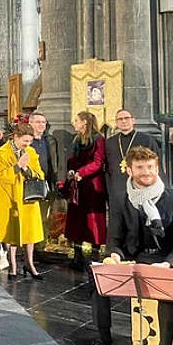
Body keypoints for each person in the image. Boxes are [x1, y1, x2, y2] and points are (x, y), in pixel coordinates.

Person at [81, 146, 173, 345]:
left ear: (157, 168)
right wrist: (114, 255)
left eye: (150, 167)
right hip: (135, 258)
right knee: (97, 283)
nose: (146, 172)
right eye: (140, 168)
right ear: (130, 170)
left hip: (170, 258)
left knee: (167, 290)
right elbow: (115, 239)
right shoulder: (122, 200)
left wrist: (167, 264)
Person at [0, 123, 45, 280]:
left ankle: (29, 263)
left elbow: (39, 173)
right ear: (15, 137)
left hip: (28, 197)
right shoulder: (3, 152)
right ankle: (13, 264)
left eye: (30, 141)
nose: (27, 144)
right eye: (25, 141)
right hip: (10, 196)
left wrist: (26, 169)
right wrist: (17, 166)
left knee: (30, 231)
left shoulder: (31, 151)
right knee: (12, 232)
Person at [66, 111, 107, 270]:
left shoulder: (98, 139)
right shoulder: (77, 139)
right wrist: (71, 173)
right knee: (76, 219)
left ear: (84, 122)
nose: (74, 123)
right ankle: (77, 255)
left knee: (93, 219)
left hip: (92, 184)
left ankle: (95, 257)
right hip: (78, 184)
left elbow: (98, 162)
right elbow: (73, 159)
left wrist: (81, 173)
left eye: (76, 120)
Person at [104, 109, 161, 219]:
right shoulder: (110, 142)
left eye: (127, 118)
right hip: (117, 188)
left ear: (133, 120)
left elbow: (155, 163)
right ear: (116, 123)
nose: (124, 121)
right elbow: (107, 168)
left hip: (140, 187)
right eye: (120, 119)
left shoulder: (146, 139)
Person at [29, 111, 59, 239]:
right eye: (38, 122)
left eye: (43, 122)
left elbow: (55, 160)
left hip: (47, 182)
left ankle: (41, 245)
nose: (41, 125)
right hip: (30, 183)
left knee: (44, 216)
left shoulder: (50, 140)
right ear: (30, 123)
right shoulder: (27, 141)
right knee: (31, 217)